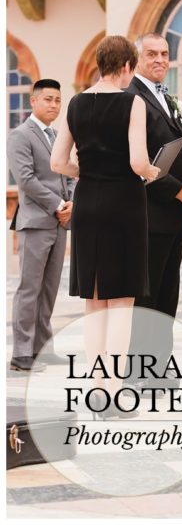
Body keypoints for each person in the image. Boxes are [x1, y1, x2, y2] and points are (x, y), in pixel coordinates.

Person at [51, 36, 160, 405]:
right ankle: (114, 391)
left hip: (87, 203)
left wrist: (84, 170)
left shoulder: (76, 103)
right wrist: (154, 171)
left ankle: (96, 389)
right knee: (121, 303)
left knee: (94, 302)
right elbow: (137, 163)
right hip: (123, 205)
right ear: (128, 66)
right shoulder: (132, 102)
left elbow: (56, 162)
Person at [125, 33, 182, 384]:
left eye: (165, 54)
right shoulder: (132, 97)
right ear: (138, 58)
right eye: (152, 54)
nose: (160, 59)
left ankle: (159, 368)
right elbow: (137, 161)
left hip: (175, 214)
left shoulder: (167, 97)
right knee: (146, 295)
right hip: (148, 211)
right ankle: (138, 372)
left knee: (167, 294)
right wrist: (180, 191)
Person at [8, 79, 74, 372]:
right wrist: (59, 205)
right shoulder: (20, 135)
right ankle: (22, 352)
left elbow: (67, 174)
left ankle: (43, 348)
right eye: (48, 99)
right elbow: (26, 179)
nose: (54, 105)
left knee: (48, 289)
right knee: (29, 288)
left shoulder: (58, 136)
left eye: (58, 100)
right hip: (35, 222)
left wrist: (71, 202)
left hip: (60, 223)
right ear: (33, 101)